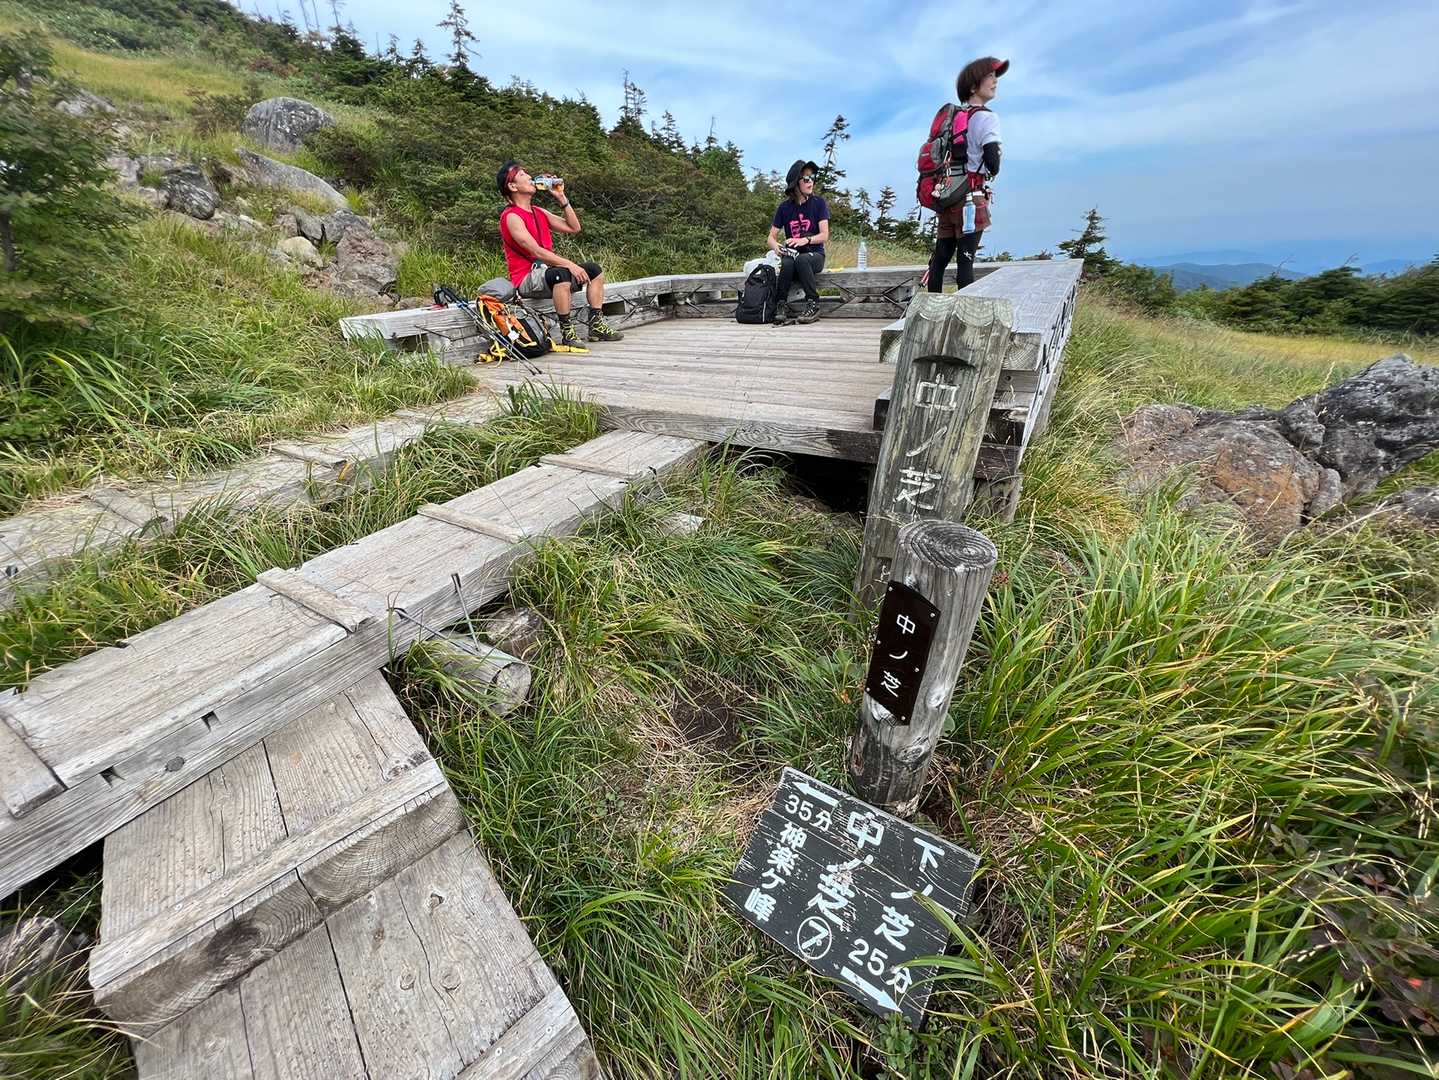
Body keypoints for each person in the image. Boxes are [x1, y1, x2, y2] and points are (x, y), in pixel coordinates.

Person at [496, 161, 624, 345]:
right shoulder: (511, 216)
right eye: (522, 175)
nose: (530, 177)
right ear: (512, 186)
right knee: (561, 274)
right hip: (526, 278)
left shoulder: (538, 212)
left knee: (594, 270)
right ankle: (567, 332)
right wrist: (571, 265)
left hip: (546, 273)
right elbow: (536, 251)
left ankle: (596, 325)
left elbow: (574, 227)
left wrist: (561, 197)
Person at [926, 57, 1006, 293]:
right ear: (973, 86)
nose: (995, 81)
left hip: (947, 194)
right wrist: (995, 165)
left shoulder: (952, 117)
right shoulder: (987, 117)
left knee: (940, 257)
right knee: (966, 259)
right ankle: (963, 311)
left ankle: (932, 308)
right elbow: (992, 161)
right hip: (971, 197)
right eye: (990, 77)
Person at [767, 159, 830, 325]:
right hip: (793, 257)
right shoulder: (784, 208)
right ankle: (781, 304)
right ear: (796, 184)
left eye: (812, 178)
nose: (811, 182)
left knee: (802, 260)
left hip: (814, 255)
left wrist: (805, 240)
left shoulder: (819, 203)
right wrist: (776, 247)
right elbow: (771, 237)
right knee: (787, 262)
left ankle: (813, 303)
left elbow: (824, 235)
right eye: (806, 178)